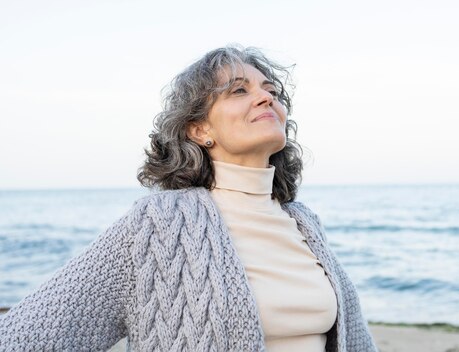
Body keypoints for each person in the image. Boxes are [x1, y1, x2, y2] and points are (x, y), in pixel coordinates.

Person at [0, 46, 378, 352]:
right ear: (199, 129)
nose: (266, 98)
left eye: (271, 91)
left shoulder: (303, 222)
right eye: (239, 90)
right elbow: (28, 336)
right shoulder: (160, 223)